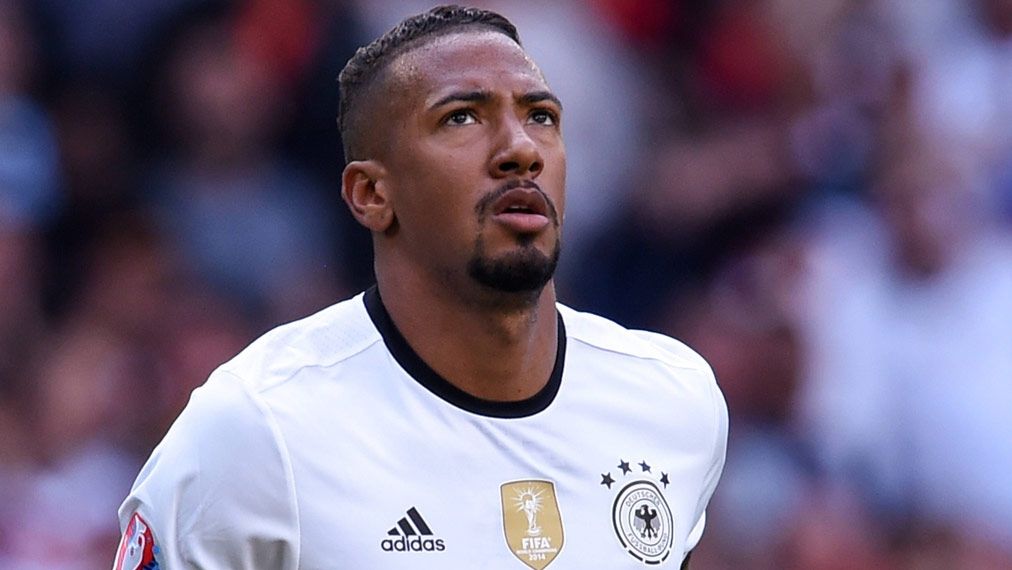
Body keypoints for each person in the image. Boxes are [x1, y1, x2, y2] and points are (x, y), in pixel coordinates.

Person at [113, 5, 727, 569]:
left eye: (541, 116)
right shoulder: (256, 428)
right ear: (371, 194)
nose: (521, 149)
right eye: (461, 117)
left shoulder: (672, 400)